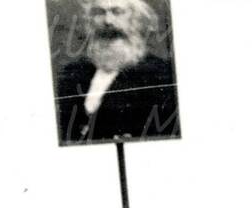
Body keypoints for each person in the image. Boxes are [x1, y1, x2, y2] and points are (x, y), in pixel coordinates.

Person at [56, 0, 180, 143]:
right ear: (89, 20)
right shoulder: (73, 73)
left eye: (117, 12)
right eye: (100, 12)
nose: (108, 21)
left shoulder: (159, 73)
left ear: (135, 19)